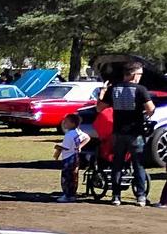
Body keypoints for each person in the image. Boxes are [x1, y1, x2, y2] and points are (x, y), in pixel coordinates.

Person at [101, 61, 153, 205]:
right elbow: (150, 108)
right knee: (138, 165)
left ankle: (116, 196)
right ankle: (140, 196)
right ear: (133, 74)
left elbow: (100, 107)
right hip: (135, 133)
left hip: (117, 132)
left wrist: (103, 92)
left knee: (117, 164)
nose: (140, 77)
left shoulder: (113, 89)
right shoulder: (140, 89)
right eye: (140, 74)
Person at [54, 112, 90, 202]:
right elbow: (87, 138)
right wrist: (80, 146)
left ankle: (67, 195)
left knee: (66, 177)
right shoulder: (78, 132)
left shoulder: (69, 135)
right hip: (75, 156)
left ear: (73, 123)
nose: (64, 123)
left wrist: (58, 147)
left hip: (68, 157)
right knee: (74, 176)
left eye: (66, 122)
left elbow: (66, 147)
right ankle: (72, 194)